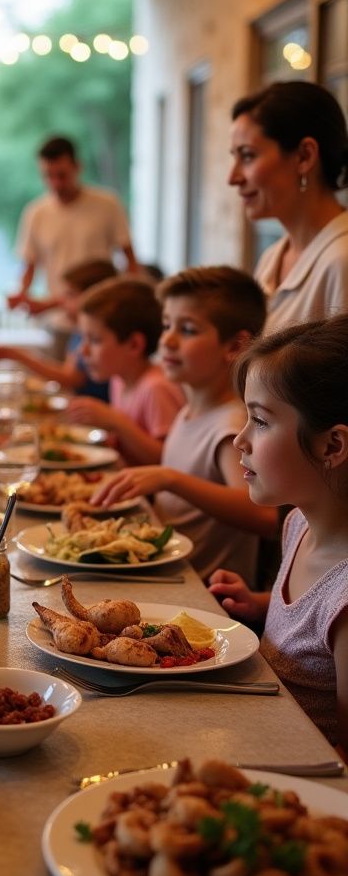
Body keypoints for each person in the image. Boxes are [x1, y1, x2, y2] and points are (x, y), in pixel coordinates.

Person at [207, 315, 348, 754]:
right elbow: (312, 624)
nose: (240, 441)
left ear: (332, 446)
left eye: (261, 422)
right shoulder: (299, 524)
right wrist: (259, 602)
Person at [93, 267, 277, 582]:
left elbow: (264, 515)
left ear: (235, 347)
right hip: (162, 570)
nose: (168, 339)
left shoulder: (230, 426)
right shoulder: (189, 410)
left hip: (199, 593)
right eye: (167, 325)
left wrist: (170, 479)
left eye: (188, 329)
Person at [229, 80, 348, 333]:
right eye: (235, 157)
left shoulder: (342, 260)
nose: (233, 177)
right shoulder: (272, 257)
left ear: (304, 156)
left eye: (248, 155)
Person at [8, 135, 137, 318]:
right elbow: (29, 265)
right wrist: (20, 295)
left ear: (77, 167)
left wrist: (127, 302)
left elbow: (130, 261)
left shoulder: (108, 205)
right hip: (57, 320)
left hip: (99, 318)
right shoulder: (36, 212)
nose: (55, 183)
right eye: (48, 175)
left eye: (61, 175)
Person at [66, 277, 184, 464]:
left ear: (134, 345)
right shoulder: (118, 380)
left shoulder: (155, 388)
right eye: (83, 339)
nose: (82, 350)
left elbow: (166, 459)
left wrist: (116, 422)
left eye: (95, 340)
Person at [0, 258, 115, 398]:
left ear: (92, 297)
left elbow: (71, 378)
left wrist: (15, 355)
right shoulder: (78, 331)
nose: (61, 302)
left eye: (70, 295)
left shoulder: (91, 335)